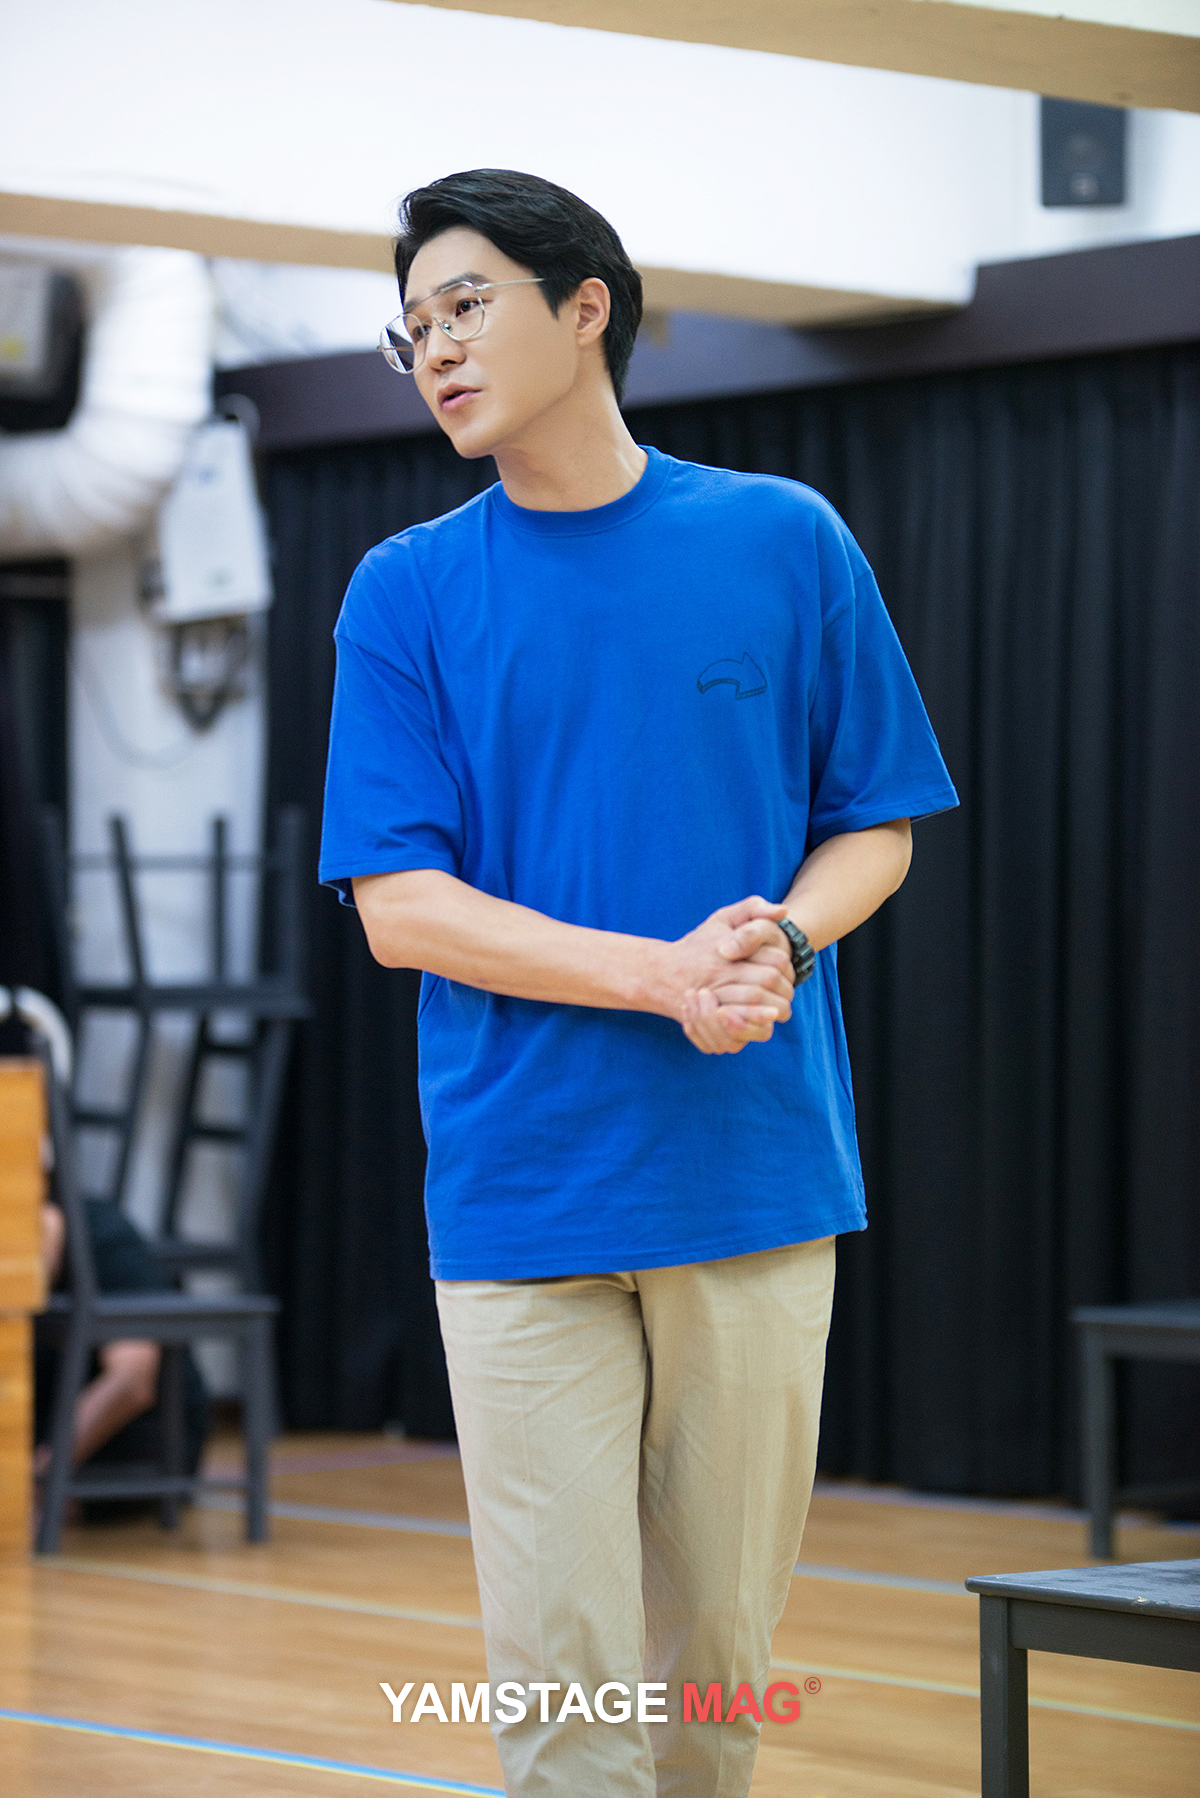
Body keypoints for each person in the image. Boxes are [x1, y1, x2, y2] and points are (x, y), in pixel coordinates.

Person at [319, 168, 958, 1797]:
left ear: (586, 306)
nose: (435, 347)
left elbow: (875, 826)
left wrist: (784, 938)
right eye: (412, 328)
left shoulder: (784, 539)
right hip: (522, 1192)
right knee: (562, 1688)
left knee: (715, 1678)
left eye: (466, 305)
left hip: (749, 1172)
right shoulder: (404, 590)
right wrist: (661, 974)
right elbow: (401, 908)